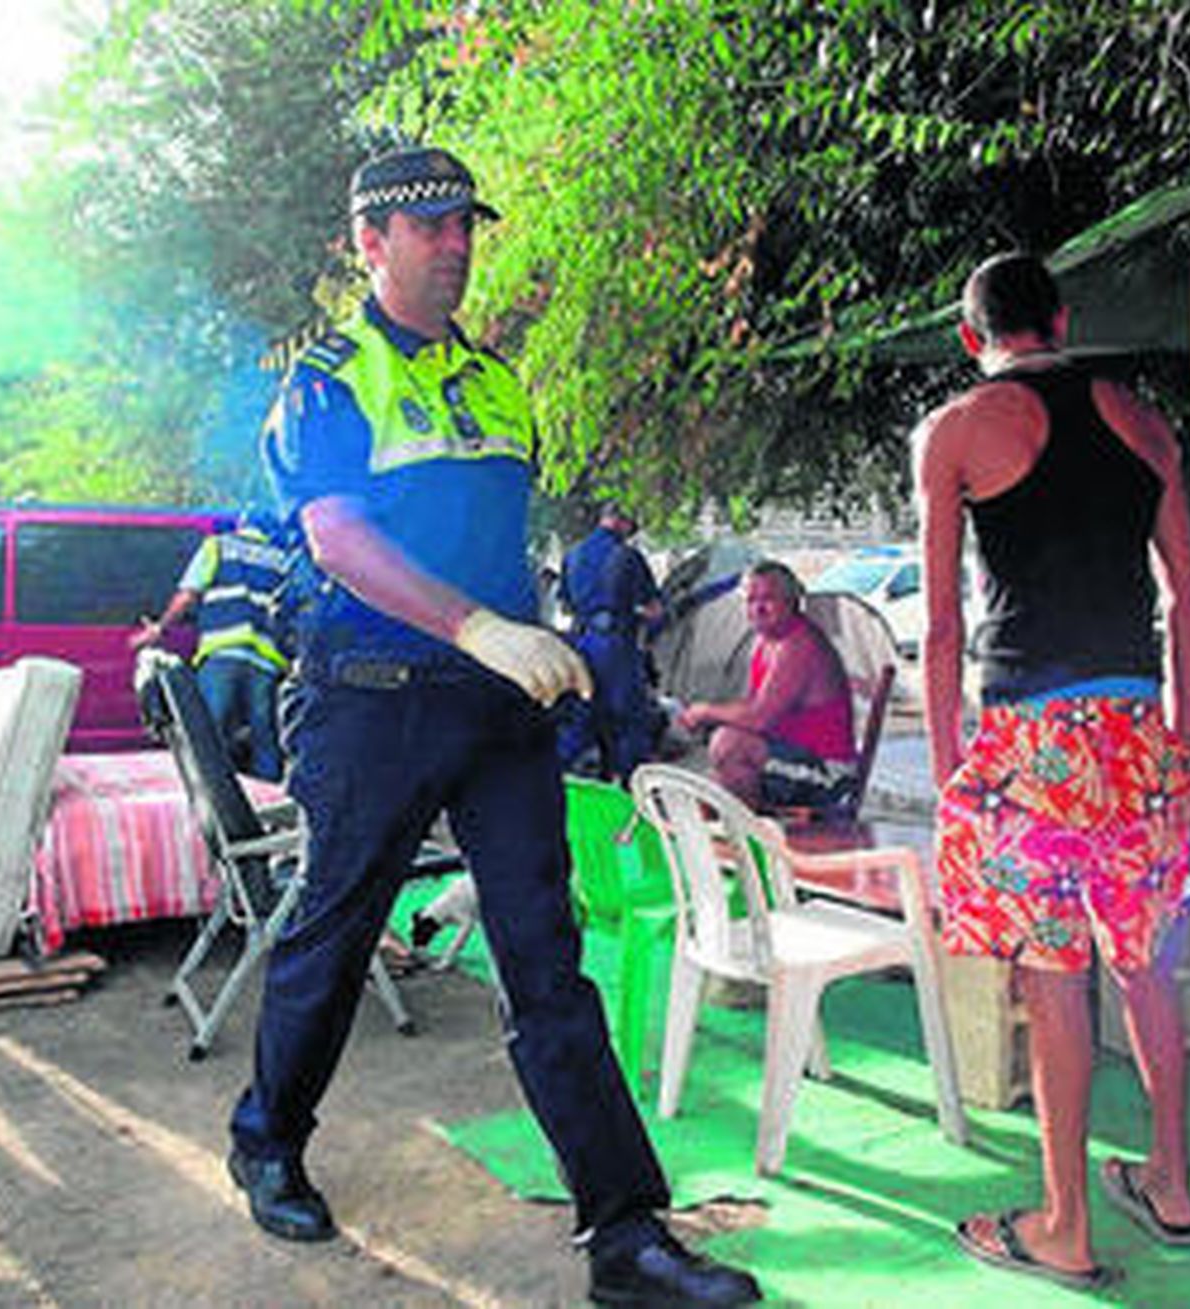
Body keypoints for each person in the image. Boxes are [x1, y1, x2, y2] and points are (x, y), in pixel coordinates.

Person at [238, 146, 760, 1307]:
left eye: (463, 223)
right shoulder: (326, 380)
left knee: (547, 959)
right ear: (368, 243)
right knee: (336, 929)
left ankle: (626, 1235)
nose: (455, 243)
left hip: (499, 704)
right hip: (370, 696)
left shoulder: (499, 383)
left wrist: (542, 638)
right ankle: (268, 1137)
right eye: (426, 227)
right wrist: (476, 626)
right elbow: (337, 538)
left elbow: (490, 532)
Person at [915, 253, 1190, 1287]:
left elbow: (944, 625)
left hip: (1030, 740)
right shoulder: (1143, 421)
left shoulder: (955, 429)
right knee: (1143, 962)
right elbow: (1184, 600)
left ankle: (1063, 1226)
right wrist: (1183, 739)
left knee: (1054, 983)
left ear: (971, 334)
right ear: (1062, 318)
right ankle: (1170, 1184)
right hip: (1135, 728)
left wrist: (955, 767)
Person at [678, 560, 859, 817]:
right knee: (708, 784)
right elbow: (751, 711)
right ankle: (731, 842)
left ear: (792, 601)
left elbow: (760, 717)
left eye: (768, 599)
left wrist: (705, 712)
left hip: (829, 776)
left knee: (729, 746)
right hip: (793, 759)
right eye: (751, 600)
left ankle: (749, 839)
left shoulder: (800, 644)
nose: (757, 608)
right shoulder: (767, 643)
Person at [132, 506, 295, 781]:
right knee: (266, 738)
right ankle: (269, 806)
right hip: (266, 661)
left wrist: (161, 627)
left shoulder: (218, 546)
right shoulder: (283, 561)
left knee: (209, 735)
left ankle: (210, 797)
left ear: (243, 523)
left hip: (223, 651)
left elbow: (188, 595)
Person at [555, 502, 665, 781]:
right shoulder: (626, 555)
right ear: (621, 521)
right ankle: (632, 792)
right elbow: (653, 609)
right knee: (629, 722)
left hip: (581, 644)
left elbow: (566, 606)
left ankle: (559, 780)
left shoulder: (572, 555)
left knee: (585, 718)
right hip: (617, 647)